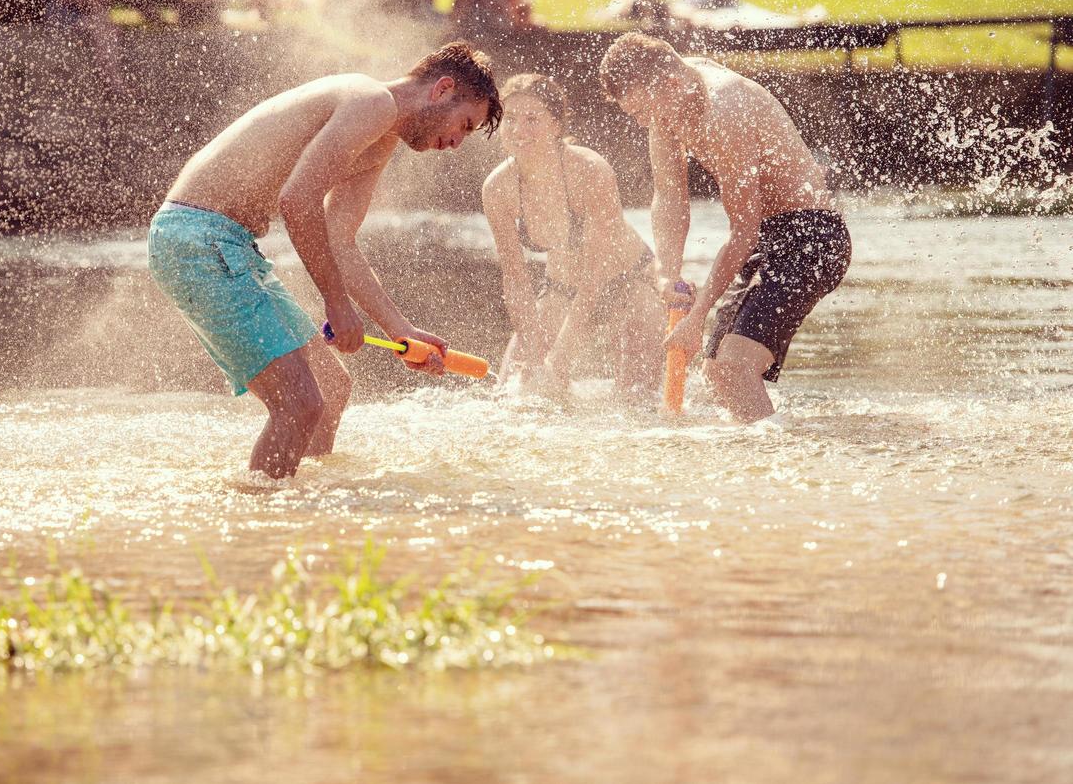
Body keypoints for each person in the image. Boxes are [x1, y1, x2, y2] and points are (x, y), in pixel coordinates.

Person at [148, 43, 504, 483]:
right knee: (298, 405)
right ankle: (259, 526)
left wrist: (400, 330)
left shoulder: (380, 141)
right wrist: (336, 303)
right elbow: (297, 201)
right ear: (442, 89)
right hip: (198, 238)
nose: (455, 143)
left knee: (331, 391)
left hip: (226, 245)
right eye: (464, 125)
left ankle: (300, 502)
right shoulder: (371, 101)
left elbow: (340, 241)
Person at [598, 33, 851, 422]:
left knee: (735, 366)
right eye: (636, 116)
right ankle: (750, 464)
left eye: (644, 112)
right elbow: (669, 197)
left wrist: (698, 316)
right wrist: (668, 272)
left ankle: (788, 463)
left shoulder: (725, 112)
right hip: (770, 237)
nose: (646, 123)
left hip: (812, 236)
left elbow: (744, 232)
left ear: (670, 84)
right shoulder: (668, 99)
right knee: (717, 374)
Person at [483, 73, 663, 401]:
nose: (519, 130)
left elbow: (593, 279)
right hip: (560, 291)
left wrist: (560, 358)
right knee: (513, 395)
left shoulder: (590, 170)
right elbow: (516, 280)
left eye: (533, 119)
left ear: (556, 125)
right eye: (510, 120)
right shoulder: (498, 189)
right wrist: (535, 352)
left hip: (629, 283)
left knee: (637, 400)